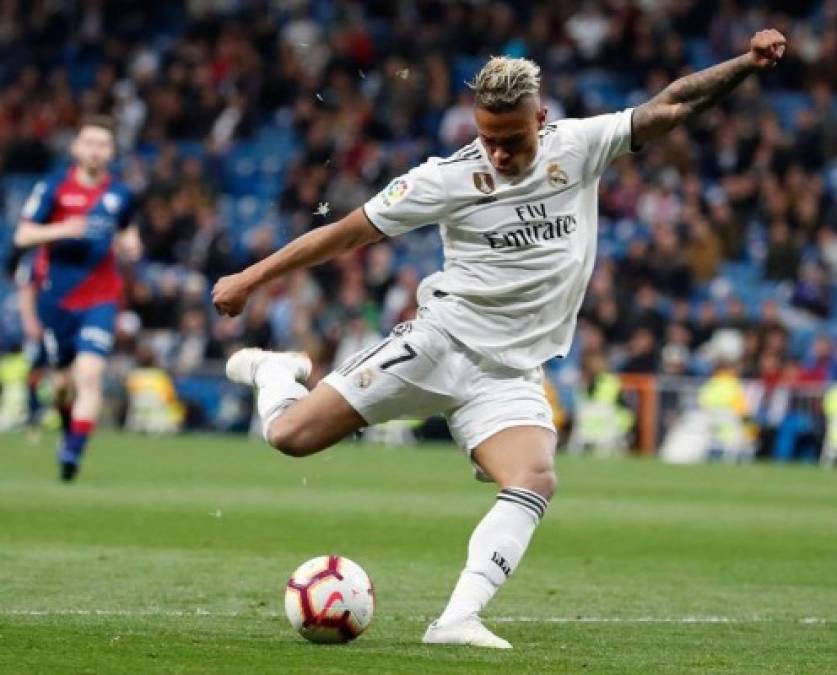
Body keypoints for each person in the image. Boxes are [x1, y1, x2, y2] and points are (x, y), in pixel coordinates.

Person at [213, 31, 786, 648]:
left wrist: (747, 65)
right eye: (488, 139)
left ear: (541, 119)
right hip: (438, 344)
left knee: (535, 477)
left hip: (509, 374)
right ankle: (276, 375)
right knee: (289, 438)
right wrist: (250, 278)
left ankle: (456, 619)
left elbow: (671, 104)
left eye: (512, 140)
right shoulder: (443, 179)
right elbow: (347, 234)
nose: (500, 154)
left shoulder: (581, 147)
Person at [13, 115, 140, 481]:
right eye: (89, 143)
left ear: (112, 152)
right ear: (75, 148)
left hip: (101, 298)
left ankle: (72, 454)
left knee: (90, 374)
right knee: (64, 384)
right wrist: (61, 229)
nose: (95, 150)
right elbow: (22, 236)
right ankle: (70, 428)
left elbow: (129, 230)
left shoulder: (121, 195)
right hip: (56, 300)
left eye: (103, 144)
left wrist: (130, 243)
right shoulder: (53, 189)